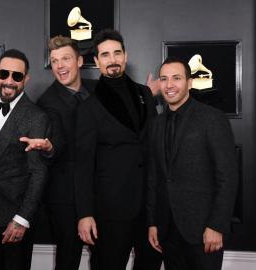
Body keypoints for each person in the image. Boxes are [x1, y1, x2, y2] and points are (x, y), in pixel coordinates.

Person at [74, 29, 162, 269]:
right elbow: (82, 165)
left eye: (116, 53)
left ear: (125, 56)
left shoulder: (145, 93)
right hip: (110, 212)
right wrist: (85, 214)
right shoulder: (88, 107)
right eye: (105, 55)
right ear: (96, 61)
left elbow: (152, 146)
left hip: (149, 208)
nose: (112, 60)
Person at [146, 57, 238, 270]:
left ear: (189, 83)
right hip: (167, 230)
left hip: (203, 231)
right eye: (164, 79)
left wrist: (216, 225)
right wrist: (152, 223)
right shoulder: (156, 124)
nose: (169, 85)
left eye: (176, 78)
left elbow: (228, 176)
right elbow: (154, 177)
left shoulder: (212, 118)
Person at [21, 35, 96, 270]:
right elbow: (58, 143)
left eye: (65, 58)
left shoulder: (97, 90)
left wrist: (148, 92)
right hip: (66, 197)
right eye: (54, 61)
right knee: (68, 259)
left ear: (79, 61)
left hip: (99, 190)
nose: (60, 66)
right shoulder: (48, 102)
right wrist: (49, 146)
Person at [0, 49, 49, 270]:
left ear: (26, 79)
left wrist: (21, 219)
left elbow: (38, 173)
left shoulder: (37, 117)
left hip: (15, 219)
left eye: (17, 76)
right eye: (4, 74)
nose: (9, 81)